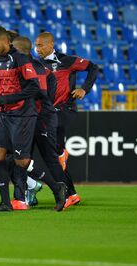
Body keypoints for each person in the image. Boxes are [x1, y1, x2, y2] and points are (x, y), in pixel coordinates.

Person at [0, 26, 67, 212]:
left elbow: (33, 88)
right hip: (5, 115)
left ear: (6, 42)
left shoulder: (21, 59)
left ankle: (56, 187)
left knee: (21, 162)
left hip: (23, 115)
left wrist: (8, 99)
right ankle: (5, 202)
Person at [35, 32, 99, 208]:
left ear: (51, 44)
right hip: (46, 112)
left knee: (54, 153)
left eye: (40, 45)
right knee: (54, 157)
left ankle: (61, 153)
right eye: (36, 45)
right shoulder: (36, 64)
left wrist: (84, 89)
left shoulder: (67, 60)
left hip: (64, 109)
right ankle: (72, 193)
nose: (37, 49)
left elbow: (93, 67)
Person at [12, 36, 64, 207]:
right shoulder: (38, 69)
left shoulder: (38, 69)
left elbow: (45, 96)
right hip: (29, 118)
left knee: (48, 158)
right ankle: (21, 198)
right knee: (19, 158)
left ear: (19, 50)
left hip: (40, 119)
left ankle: (64, 192)